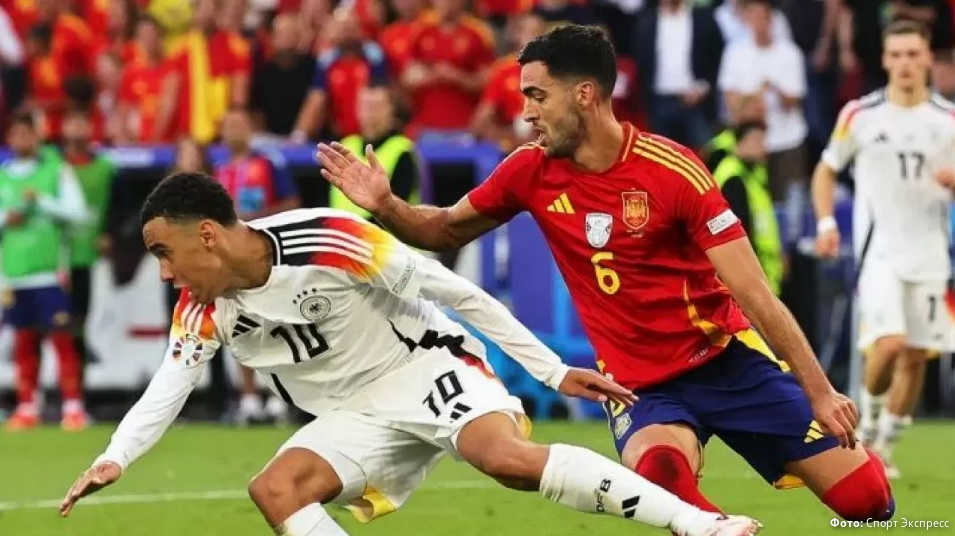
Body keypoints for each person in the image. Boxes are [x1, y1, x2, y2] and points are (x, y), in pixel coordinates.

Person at [317, 23, 895, 522]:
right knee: (664, 479)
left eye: (537, 96)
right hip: (640, 388)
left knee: (868, 502)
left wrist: (819, 391)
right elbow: (444, 229)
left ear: (585, 94)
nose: (526, 112)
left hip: (727, 361)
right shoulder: (528, 170)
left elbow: (755, 293)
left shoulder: (673, 172)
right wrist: (386, 206)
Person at [58, 173, 762, 536]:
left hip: (425, 366)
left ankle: (698, 522)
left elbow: (455, 291)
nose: (163, 273)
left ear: (207, 235)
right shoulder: (203, 306)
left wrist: (550, 370)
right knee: (275, 491)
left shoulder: (330, 240)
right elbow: (171, 383)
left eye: (165, 252)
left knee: (505, 461)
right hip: (353, 413)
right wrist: (116, 457)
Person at [812, 20, 955, 479]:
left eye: (913, 54)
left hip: (931, 252)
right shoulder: (860, 114)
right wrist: (827, 222)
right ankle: (869, 420)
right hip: (881, 254)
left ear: (928, 58)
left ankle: (885, 444)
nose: (905, 63)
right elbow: (826, 169)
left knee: (916, 354)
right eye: (897, 55)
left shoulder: (948, 120)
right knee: (890, 344)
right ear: (886, 60)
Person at [1, 111, 89, 431]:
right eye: (16, 134)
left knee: (62, 340)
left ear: (37, 137)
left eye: (28, 133)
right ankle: (27, 407)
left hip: (51, 272)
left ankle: (73, 407)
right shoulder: (3, 175)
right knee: (24, 343)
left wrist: (41, 201)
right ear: (9, 138)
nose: (22, 139)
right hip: (15, 274)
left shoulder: (57, 171)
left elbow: (79, 214)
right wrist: (6, 218)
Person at [217, 106, 302, 425]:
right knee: (240, 327)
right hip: (230, 261)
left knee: (275, 324)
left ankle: (278, 396)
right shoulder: (219, 170)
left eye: (239, 125)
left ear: (250, 129)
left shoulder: (269, 164)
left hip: (266, 256)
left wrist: (253, 219)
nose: (234, 131)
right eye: (228, 125)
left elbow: (292, 204)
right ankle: (249, 397)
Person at [62, 109, 118, 382]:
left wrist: (109, 232)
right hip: (56, 257)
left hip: (93, 256)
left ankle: (80, 388)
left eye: (81, 122)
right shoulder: (54, 165)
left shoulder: (106, 168)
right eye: (71, 122)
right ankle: (65, 388)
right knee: (58, 324)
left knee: (85, 319)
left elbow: (121, 207)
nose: (76, 128)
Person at [711, 121, 784, 296]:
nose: (762, 147)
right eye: (755, 141)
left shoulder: (755, 173)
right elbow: (738, 230)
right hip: (747, 275)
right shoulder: (732, 178)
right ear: (739, 143)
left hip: (762, 272)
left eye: (763, 141)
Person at [330, 85, 420, 220]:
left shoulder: (402, 149)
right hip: (338, 229)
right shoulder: (345, 145)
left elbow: (398, 210)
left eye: (376, 107)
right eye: (365, 106)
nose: (370, 113)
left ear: (391, 111)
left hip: (381, 231)